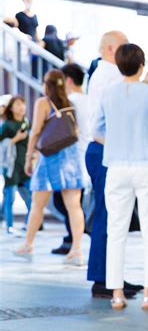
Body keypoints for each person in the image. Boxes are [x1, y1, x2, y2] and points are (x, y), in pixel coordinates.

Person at [94, 44, 148, 310]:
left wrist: (117, 142)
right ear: (141, 65)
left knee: (115, 230)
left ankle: (116, 293)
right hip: (146, 166)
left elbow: (97, 133)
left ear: (118, 66)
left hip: (116, 167)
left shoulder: (108, 93)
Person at [86, 31, 143, 299]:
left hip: (104, 150)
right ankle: (103, 279)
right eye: (124, 47)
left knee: (113, 216)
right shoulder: (109, 74)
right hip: (105, 151)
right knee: (108, 216)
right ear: (111, 49)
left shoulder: (103, 73)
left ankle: (111, 277)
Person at [13, 70, 85, 264]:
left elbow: (35, 131)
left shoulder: (43, 103)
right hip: (71, 156)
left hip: (50, 157)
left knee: (37, 203)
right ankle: (77, 250)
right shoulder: (70, 103)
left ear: (47, 84)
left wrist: (29, 157)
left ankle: (28, 244)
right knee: (74, 205)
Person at [51, 63, 90, 255]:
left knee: (66, 203)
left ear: (68, 80)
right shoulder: (91, 100)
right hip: (88, 156)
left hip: (72, 158)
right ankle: (74, 238)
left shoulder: (70, 101)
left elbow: (62, 131)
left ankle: (75, 241)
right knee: (72, 203)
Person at [1, 96, 31, 234]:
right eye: (18, 104)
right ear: (11, 108)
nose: (21, 107)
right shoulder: (7, 125)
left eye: (23, 104)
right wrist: (15, 139)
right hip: (11, 167)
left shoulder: (26, 122)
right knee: (10, 198)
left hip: (25, 166)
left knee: (31, 197)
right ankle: (10, 226)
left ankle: (28, 224)